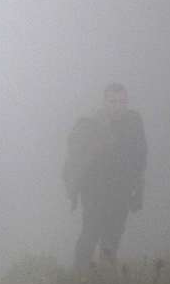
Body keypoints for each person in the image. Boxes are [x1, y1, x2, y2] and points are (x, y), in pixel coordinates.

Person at [63, 84, 147, 270]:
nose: (118, 106)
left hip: (121, 188)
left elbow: (140, 155)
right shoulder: (90, 124)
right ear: (104, 102)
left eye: (122, 102)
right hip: (94, 189)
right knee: (90, 233)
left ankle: (105, 275)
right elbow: (76, 155)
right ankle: (79, 275)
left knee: (114, 234)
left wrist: (137, 187)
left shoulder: (133, 122)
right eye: (113, 101)